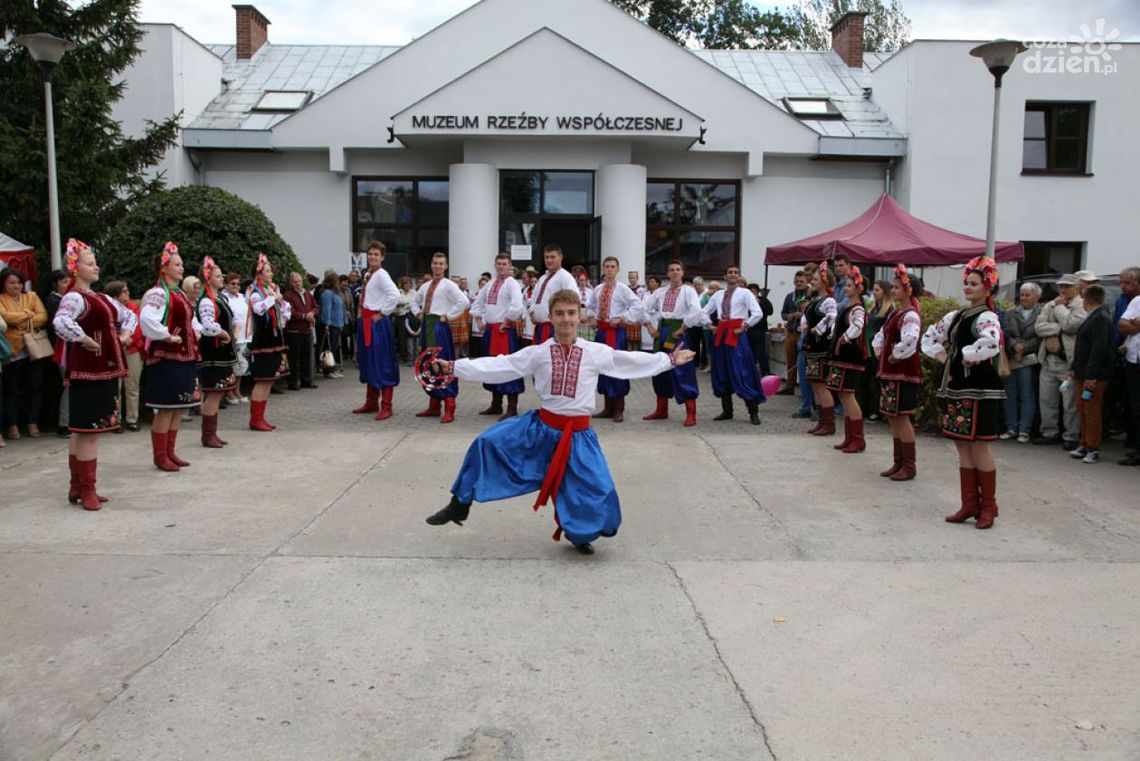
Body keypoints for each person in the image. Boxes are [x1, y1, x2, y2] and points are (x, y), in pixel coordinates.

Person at [423, 289, 696, 554]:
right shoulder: (538, 352)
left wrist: (669, 359)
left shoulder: (594, 351)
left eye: (571, 313)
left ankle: (579, 533)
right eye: (559, 314)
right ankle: (460, 502)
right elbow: (500, 365)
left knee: (600, 490)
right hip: (540, 429)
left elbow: (628, 362)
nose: (566, 319)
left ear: (580, 317)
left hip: (578, 436)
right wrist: (455, 367)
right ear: (551, 318)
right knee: (486, 443)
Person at [51, 240, 137, 509]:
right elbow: (60, 322)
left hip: (102, 369)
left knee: (84, 431)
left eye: (95, 262)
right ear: (76, 268)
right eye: (90, 263)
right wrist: (83, 338)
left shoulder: (101, 298)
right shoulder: (75, 297)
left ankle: (78, 486)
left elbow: (129, 316)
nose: (96, 266)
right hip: (89, 370)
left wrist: (124, 335)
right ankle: (86, 488)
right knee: (87, 431)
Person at [923, 256, 1005, 529]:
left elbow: (991, 341)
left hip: (980, 388)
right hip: (957, 387)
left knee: (979, 444)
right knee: (962, 443)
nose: (968, 287)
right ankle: (970, 503)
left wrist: (970, 354)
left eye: (974, 283)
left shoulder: (987, 316)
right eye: (966, 283)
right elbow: (930, 336)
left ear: (987, 288)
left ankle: (989, 507)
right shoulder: (957, 316)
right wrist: (943, 354)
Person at [139, 242, 202, 470]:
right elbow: (146, 319)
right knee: (166, 407)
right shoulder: (158, 293)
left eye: (182, 264)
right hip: (167, 358)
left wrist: (197, 332)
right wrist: (166, 335)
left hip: (184, 357)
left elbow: (189, 321)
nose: (181, 268)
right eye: (177, 264)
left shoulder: (179, 294)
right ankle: (160, 455)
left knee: (178, 406)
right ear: (164, 268)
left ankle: (170, 451)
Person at [873, 266, 924, 481]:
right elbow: (883, 332)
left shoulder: (910, 314)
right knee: (893, 417)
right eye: (892, 287)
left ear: (908, 290)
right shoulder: (897, 312)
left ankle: (909, 465)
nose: (892, 291)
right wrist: (878, 345)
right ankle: (898, 461)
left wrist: (895, 354)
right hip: (891, 372)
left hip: (902, 372)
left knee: (902, 418)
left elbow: (911, 338)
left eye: (896, 287)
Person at [642, 260, 704, 426]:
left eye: (678, 269)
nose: (675, 272)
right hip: (663, 331)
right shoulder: (660, 292)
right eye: (671, 270)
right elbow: (643, 307)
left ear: (682, 273)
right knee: (660, 368)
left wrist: (683, 328)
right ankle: (661, 410)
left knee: (683, 370)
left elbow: (696, 310)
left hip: (678, 332)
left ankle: (691, 413)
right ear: (667, 273)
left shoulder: (688, 291)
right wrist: (649, 326)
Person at [411, 252, 470, 423]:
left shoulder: (449, 285)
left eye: (441, 263)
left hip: (439, 326)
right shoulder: (425, 285)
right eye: (435, 263)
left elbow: (464, 302)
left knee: (443, 363)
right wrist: (418, 313)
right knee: (427, 363)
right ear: (431, 264)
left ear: (446, 266)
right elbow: (414, 302)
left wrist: (449, 316)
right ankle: (434, 404)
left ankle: (449, 406)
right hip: (427, 326)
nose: (437, 266)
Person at [701, 265, 764, 425]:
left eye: (736, 272)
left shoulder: (745, 293)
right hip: (722, 334)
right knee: (721, 370)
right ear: (725, 276)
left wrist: (745, 326)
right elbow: (704, 311)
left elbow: (758, 312)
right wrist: (710, 325)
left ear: (739, 276)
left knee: (742, 371)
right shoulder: (718, 294)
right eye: (730, 272)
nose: (733, 275)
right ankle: (727, 410)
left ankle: (753, 412)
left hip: (736, 335)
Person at [470, 252, 526, 419]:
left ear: (510, 266)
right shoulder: (491, 283)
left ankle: (512, 407)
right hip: (491, 330)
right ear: (495, 265)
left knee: (508, 367)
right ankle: (496, 404)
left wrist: (507, 321)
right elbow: (478, 302)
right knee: (492, 367)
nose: (501, 266)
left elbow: (517, 305)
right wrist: (479, 319)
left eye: (504, 264)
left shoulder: (512, 284)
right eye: (499, 263)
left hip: (504, 332)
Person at [1033, 274, 1086, 449]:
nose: (1063, 290)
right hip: (1048, 359)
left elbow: (1073, 325)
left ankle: (1071, 436)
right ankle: (1049, 433)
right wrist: (1059, 326)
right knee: (1047, 400)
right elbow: (1039, 327)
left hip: (1067, 362)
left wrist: (1060, 311)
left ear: (1076, 287)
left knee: (1069, 403)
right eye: (1061, 286)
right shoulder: (1051, 303)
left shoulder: (1080, 304)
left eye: (1067, 286)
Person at [588, 255, 642, 423]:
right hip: (602, 333)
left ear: (618, 270)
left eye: (612, 267)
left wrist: (623, 318)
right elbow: (590, 306)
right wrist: (591, 317)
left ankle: (619, 408)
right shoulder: (597, 289)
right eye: (607, 267)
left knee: (617, 367)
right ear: (603, 269)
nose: (609, 270)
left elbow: (638, 306)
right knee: (603, 367)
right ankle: (608, 407)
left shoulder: (623, 289)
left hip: (616, 334)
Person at [351, 242, 400, 420]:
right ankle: (371, 402)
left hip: (376, 324)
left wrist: (382, 313)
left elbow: (394, 294)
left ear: (382, 257)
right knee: (369, 361)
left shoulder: (381, 275)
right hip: (366, 322)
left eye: (376, 254)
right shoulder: (369, 275)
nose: (372, 257)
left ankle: (386, 405)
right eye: (370, 254)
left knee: (382, 361)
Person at [0, 266, 49, 440]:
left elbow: (42, 316)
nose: (16, 286)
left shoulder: (32, 296)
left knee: (35, 387)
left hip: (34, 349)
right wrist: (28, 316)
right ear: (4, 284)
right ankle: (12, 425)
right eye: (11, 283)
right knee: (11, 389)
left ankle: (32, 422)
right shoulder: (1, 299)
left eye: (19, 282)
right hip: (12, 350)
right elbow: (4, 317)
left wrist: (19, 319)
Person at [194, 257, 238, 448]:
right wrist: (222, 332)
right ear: (208, 278)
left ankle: (213, 432)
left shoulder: (218, 298)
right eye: (218, 276)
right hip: (213, 354)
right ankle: (207, 435)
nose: (222, 279)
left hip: (222, 353)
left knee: (218, 393)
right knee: (213, 393)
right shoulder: (206, 301)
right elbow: (207, 325)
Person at [1068, 284, 1114, 463]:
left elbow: (1099, 348)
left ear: (1086, 299)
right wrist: (1074, 367)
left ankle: (1093, 447)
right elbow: (1083, 347)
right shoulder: (1093, 317)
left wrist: (1092, 375)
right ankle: (1084, 443)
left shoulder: (1101, 318)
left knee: (1092, 411)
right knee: (1082, 409)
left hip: (1093, 375)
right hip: (1082, 373)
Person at [246, 253, 291, 431]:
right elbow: (258, 309)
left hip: (274, 338)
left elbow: (282, 312)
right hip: (263, 340)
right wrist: (274, 299)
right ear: (259, 274)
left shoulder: (271, 290)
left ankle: (260, 417)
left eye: (271, 270)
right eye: (267, 270)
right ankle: (255, 419)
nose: (271, 273)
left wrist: (282, 305)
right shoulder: (254, 290)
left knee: (269, 379)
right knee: (262, 380)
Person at [827, 266, 868, 452]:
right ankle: (849, 437)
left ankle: (858, 439)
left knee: (849, 395)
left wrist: (846, 337)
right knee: (844, 395)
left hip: (850, 358)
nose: (845, 288)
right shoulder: (848, 307)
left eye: (850, 286)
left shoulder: (857, 308)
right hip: (841, 357)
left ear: (858, 289)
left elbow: (858, 324)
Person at [999, 282, 1043, 443]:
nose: (1024, 298)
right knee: (1009, 394)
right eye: (1022, 294)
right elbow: (1005, 332)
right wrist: (1014, 346)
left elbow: (1040, 336)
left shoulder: (1043, 312)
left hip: (1030, 359)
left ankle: (1024, 430)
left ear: (1037, 297)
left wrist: (1024, 347)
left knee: (1027, 394)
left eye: (1028, 294)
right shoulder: (1011, 312)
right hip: (1012, 358)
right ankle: (1011, 428)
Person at [801, 266, 838, 436]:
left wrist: (819, 328)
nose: (811, 282)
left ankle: (829, 423)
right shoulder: (816, 299)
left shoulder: (828, 300)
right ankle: (821, 421)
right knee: (815, 384)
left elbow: (832, 317)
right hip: (811, 347)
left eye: (815, 279)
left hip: (820, 348)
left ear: (824, 282)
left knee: (822, 385)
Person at [104, 281, 144, 432]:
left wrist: (130, 340)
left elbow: (139, 327)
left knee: (132, 386)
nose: (128, 293)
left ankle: (132, 419)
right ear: (115, 295)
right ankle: (115, 420)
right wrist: (118, 342)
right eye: (124, 291)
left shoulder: (133, 307)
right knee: (115, 387)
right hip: (114, 351)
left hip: (131, 350)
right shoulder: (107, 309)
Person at [528, 245, 577, 345]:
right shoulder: (542, 278)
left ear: (560, 257)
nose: (549, 260)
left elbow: (574, 299)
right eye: (547, 257)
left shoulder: (565, 277)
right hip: (539, 327)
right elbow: (534, 297)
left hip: (554, 328)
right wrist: (532, 311)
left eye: (552, 257)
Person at [1117, 267, 1140, 466]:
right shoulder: (1136, 301)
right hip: (1134, 359)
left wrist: (1135, 324)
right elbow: (1122, 325)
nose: (1122, 287)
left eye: (1127, 283)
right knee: (1135, 406)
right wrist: (1136, 324)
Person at [44, 269, 71, 437]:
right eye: (63, 281)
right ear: (55, 284)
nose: (67, 284)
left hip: (76, 347)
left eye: (69, 281)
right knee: (69, 383)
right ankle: (64, 422)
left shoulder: (73, 298)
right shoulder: (53, 300)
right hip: (62, 348)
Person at [861, 280, 893, 420]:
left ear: (884, 292)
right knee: (866, 380)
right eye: (874, 290)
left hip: (878, 349)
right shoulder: (874, 308)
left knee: (875, 381)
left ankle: (876, 410)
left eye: (877, 290)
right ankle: (866, 409)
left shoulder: (889, 309)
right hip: (868, 347)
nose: (874, 293)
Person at [283, 271, 319, 390]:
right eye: (295, 282)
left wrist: (313, 313)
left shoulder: (308, 294)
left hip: (307, 330)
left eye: (299, 281)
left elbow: (316, 307)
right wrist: (304, 316)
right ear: (291, 283)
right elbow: (290, 313)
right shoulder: (287, 296)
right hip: (294, 331)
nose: (298, 284)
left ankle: (307, 380)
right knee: (294, 358)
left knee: (306, 357)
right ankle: (294, 382)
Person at [222, 272, 249, 404]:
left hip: (244, 335)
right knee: (232, 366)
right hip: (232, 336)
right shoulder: (224, 297)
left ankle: (237, 390)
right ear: (225, 284)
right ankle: (229, 392)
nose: (236, 286)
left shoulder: (242, 297)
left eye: (238, 284)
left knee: (242, 366)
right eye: (233, 283)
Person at [780, 271, 808, 394]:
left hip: (804, 334)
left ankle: (805, 389)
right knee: (790, 361)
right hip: (791, 332)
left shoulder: (810, 296)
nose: (799, 283)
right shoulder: (789, 297)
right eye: (797, 281)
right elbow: (783, 314)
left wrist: (802, 315)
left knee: (804, 363)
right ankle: (789, 386)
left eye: (801, 281)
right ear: (793, 282)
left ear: (806, 282)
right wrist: (790, 316)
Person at [317, 271, 347, 379]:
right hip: (331, 324)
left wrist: (343, 321)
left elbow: (342, 308)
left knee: (333, 348)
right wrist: (327, 324)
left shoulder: (337, 293)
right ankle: (327, 370)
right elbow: (326, 310)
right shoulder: (327, 294)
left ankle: (332, 369)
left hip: (337, 323)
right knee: (328, 348)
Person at [746, 283, 774, 377]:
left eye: (755, 291)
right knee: (749, 352)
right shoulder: (745, 301)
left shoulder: (762, 300)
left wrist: (761, 303)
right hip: (748, 329)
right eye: (751, 291)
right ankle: (751, 371)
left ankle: (765, 371)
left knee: (761, 352)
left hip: (760, 330)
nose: (753, 293)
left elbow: (770, 311)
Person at [394, 275, 416, 364]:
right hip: (400, 317)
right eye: (406, 284)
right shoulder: (398, 292)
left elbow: (415, 302)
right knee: (401, 337)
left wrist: (404, 303)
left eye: (409, 284)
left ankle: (412, 356)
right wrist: (408, 302)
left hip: (411, 317)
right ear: (402, 285)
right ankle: (404, 356)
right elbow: (397, 301)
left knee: (411, 337)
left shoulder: (414, 292)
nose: (408, 286)